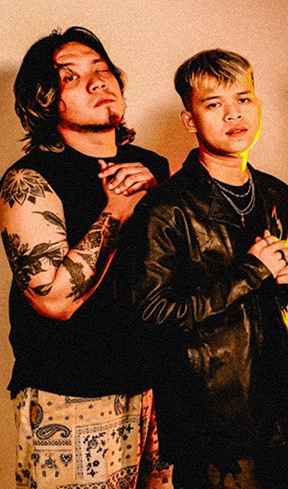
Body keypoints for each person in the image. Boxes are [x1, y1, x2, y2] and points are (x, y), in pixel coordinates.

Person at [122, 49, 288, 488]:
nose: (234, 114)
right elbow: (153, 314)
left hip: (283, 410)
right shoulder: (167, 208)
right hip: (212, 419)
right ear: (190, 120)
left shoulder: (276, 194)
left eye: (243, 99)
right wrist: (251, 272)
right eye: (214, 104)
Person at [0, 26, 169, 487]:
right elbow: (53, 300)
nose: (97, 82)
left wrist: (161, 200)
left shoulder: (151, 167)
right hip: (71, 397)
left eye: (101, 68)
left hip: (155, 388)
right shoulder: (28, 180)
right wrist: (116, 211)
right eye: (71, 77)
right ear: (46, 100)